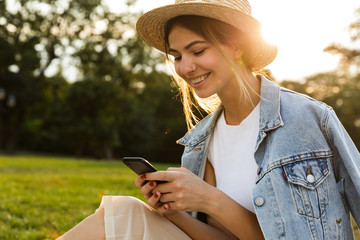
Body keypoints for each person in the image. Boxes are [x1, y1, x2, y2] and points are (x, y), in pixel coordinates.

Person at [58, 0, 360, 239]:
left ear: (237, 46)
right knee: (123, 211)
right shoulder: (200, 143)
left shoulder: (309, 118)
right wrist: (172, 211)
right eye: (176, 56)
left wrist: (208, 198)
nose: (186, 67)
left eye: (197, 50)